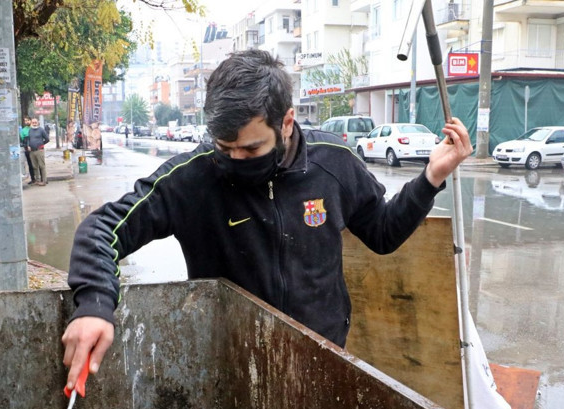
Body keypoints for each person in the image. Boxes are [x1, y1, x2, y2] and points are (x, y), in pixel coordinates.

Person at [61, 49, 472, 391]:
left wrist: (431, 177)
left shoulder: (335, 164)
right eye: (225, 148)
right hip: (230, 369)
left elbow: (383, 233)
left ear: (287, 122)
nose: (235, 161)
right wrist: (95, 304)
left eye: (251, 149)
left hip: (322, 358)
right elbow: (102, 230)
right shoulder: (193, 178)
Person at [24, 118, 49, 186]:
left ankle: (44, 181)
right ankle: (37, 180)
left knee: (42, 166)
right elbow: (28, 139)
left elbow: (47, 139)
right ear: (31, 123)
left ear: (38, 122)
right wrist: (28, 145)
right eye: (33, 122)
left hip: (39, 150)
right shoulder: (30, 130)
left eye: (35, 122)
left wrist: (41, 144)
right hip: (32, 151)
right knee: (35, 166)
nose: (34, 123)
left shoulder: (41, 130)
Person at [20, 117, 36, 184]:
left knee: (37, 164)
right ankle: (33, 179)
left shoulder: (35, 128)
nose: (26, 122)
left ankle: (39, 178)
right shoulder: (23, 131)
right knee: (30, 164)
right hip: (27, 149)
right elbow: (22, 140)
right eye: (25, 121)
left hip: (35, 149)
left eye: (28, 120)